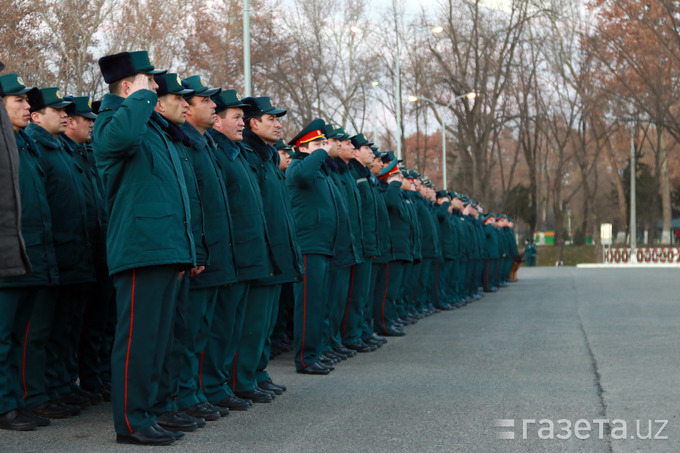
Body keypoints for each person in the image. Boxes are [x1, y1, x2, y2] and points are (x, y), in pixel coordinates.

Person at [93, 51, 197, 445]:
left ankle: (150, 412)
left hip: (165, 248)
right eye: (148, 81)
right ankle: (132, 422)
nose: (156, 87)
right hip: (140, 248)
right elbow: (118, 140)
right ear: (127, 86)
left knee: (157, 341)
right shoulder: (113, 122)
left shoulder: (153, 128)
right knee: (137, 341)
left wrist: (187, 249)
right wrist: (136, 99)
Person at [24, 87, 97, 416]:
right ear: (37, 117)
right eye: (58, 110)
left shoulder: (63, 150)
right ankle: (38, 393)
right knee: (42, 331)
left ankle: (62, 384)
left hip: (74, 254)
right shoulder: (38, 147)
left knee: (67, 327)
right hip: (54, 254)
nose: (65, 115)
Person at [0, 73, 57, 431]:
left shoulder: (24, 145)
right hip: (8, 255)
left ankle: (16, 401)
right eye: (18, 100)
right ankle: (5, 405)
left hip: (28, 253)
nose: (27, 106)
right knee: (3, 336)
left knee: (19, 335)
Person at [286, 118, 339, 374]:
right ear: (303, 147)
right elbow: (305, 175)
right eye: (318, 143)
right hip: (308, 244)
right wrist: (319, 152)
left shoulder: (319, 171)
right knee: (308, 305)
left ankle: (315, 353)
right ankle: (306, 359)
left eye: (324, 143)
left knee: (318, 303)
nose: (324, 147)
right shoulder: (297, 167)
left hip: (322, 244)